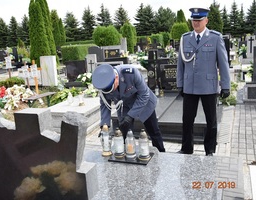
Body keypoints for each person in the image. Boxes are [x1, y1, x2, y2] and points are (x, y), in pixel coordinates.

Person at [176, 8, 230, 156]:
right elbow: (180, 64)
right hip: (190, 87)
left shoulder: (215, 38)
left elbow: (223, 64)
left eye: (199, 20)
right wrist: (180, 83)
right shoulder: (185, 38)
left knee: (211, 121)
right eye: (194, 20)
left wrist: (225, 86)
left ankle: (210, 150)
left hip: (208, 87)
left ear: (206, 21)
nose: (196, 23)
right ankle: (186, 148)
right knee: (187, 120)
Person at [92, 64, 165, 152]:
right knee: (125, 133)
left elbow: (144, 95)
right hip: (125, 105)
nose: (111, 91)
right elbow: (104, 104)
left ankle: (161, 153)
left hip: (144, 103)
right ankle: (128, 154)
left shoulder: (131, 73)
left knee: (154, 131)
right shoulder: (104, 84)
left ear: (116, 77)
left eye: (112, 88)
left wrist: (130, 116)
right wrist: (104, 126)